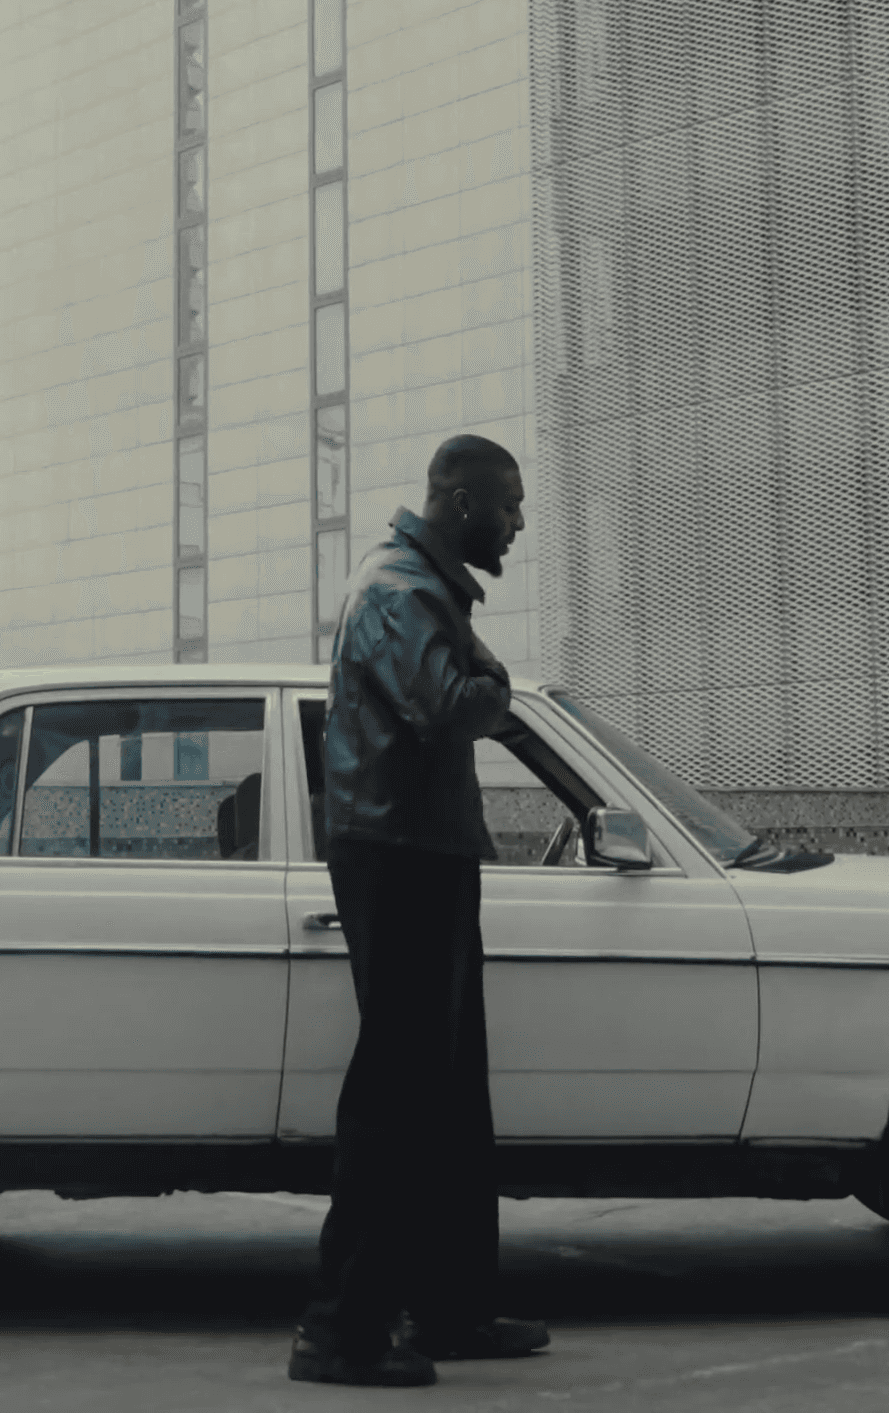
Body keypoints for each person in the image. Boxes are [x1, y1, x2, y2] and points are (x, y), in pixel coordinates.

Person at [287, 434, 553, 1388]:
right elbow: (451, 706)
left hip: (422, 851)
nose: (520, 522)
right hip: (398, 857)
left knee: (445, 1097)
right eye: (509, 504)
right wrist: (494, 680)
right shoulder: (403, 591)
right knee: (400, 1098)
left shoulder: (423, 585)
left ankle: (450, 1308)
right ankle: (342, 1330)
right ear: (458, 499)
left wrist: (482, 668)